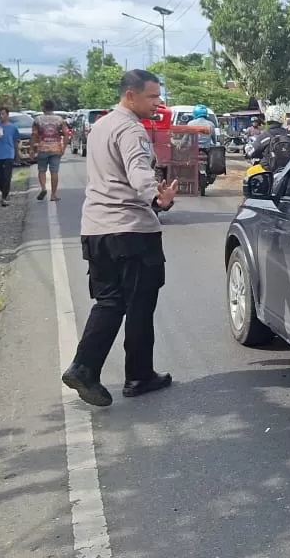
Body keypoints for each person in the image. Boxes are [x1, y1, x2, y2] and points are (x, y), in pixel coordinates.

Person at [62, 69, 178, 408]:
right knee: (140, 304)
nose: (158, 103)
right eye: (152, 97)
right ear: (131, 96)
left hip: (96, 229)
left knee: (110, 300)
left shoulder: (100, 125)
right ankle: (137, 375)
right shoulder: (130, 129)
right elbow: (139, 171)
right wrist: (158, 199)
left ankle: (86, 367)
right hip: (130, 230)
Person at [32, 99, 71, 202]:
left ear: (43, 107)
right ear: (53, 108)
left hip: (42, 148)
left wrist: (32, 148)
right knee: (54, 172)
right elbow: (66, 133)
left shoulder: (37, 119)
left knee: (41, 170)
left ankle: (44, 188)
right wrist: (64, 147)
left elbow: (34, 134)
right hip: (56, 149)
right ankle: (53, 195)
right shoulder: (59, 119)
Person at [249, 106, 290, 173]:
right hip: (287, 172)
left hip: (268, 172)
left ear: (268, 117)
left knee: (250, 174)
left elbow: (252, 152)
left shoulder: (265, 135)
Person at [0, 107, 21, 206]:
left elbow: (15, 142)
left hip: (9, 154)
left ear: (7, 115)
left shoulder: (13, 127)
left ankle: (5, 197)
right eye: (0, 114)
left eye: (3, 114)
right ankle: (4, 193)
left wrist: (17, 155)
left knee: (7, 176)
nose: (1, 116)